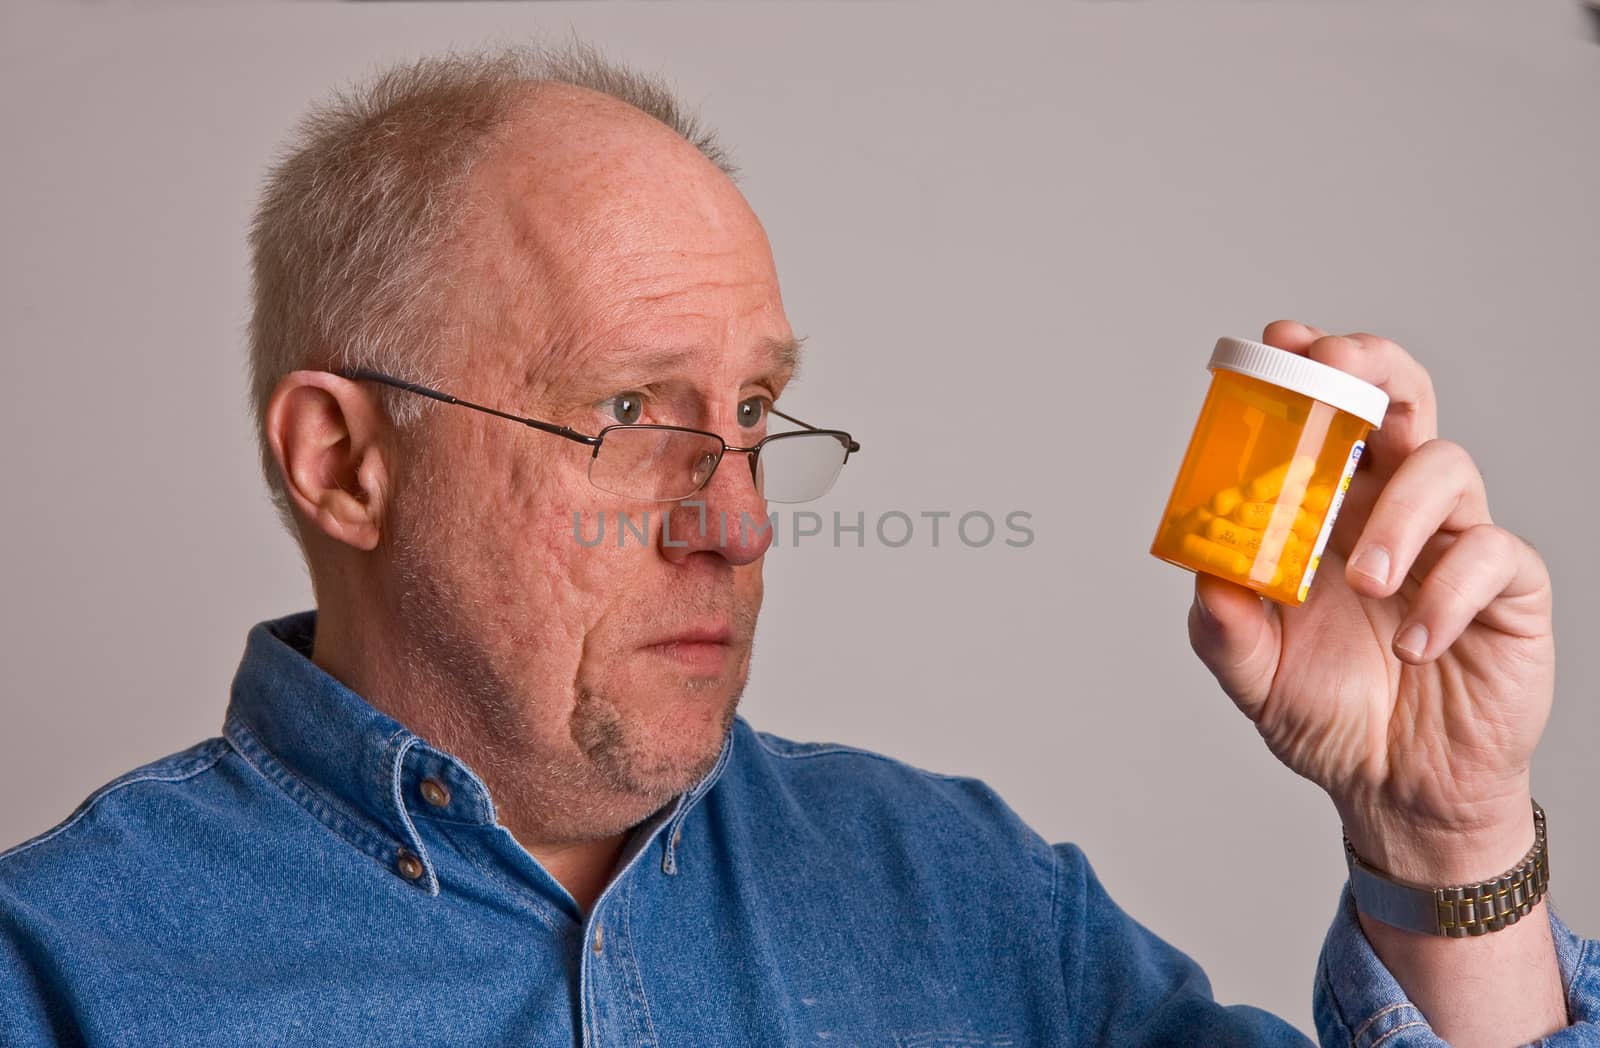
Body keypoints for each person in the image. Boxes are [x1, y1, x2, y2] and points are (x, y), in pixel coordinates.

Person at [1, 40, 1596, 1047]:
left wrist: (1441, 833)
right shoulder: (60, 977)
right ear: (344, 462)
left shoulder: (968, 898)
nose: (740, 517)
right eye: (629, 410)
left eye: (757, 408)